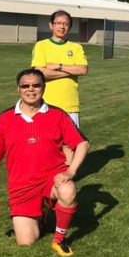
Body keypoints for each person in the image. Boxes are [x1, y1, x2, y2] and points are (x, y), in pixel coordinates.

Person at [0, 68, 90, 257]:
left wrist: (70, 171)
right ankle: (41, 213)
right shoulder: (4, 119)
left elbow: (82, 143)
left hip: (51, 179)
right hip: (22, 187)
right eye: (25, 85)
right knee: (26, 241)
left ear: (44, 88)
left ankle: (59, 239)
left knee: (68, 190)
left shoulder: (57, 115)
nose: (30, 89)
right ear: (18, 89)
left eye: (36, 85)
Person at [32, 9, 89, 163]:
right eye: (58, 23)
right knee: (45, 142)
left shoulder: (76, 48)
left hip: (70, 104)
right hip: (46, 103)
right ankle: (47, 173)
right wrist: (70, 71)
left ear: (70, 27)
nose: (62, 27)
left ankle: (67, 175)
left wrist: (58, 66)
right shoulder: (41, 46)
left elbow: (83, 69)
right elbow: (40, 74)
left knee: (70, 144)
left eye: (66, 24)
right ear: (51, 25)